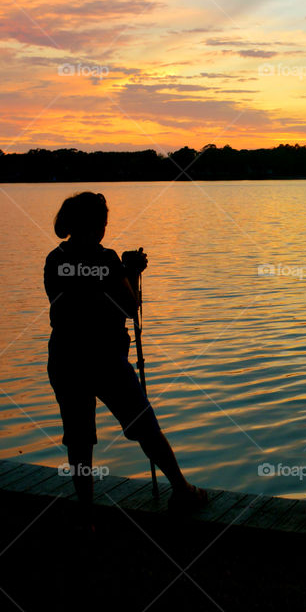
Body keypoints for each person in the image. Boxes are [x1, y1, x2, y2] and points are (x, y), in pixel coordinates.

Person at [44, 191, 207, 524]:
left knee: (79, 438)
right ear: (97, 223)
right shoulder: (105, 260)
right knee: (144, 425)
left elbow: (71, 302)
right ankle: (181, 489)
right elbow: (128, 307)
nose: (106, 225)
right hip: (104, 360)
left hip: (64, 358)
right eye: (104, 220)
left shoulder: (54, 258)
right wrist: (131, 271)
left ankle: (86, 514)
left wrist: (122, 269)